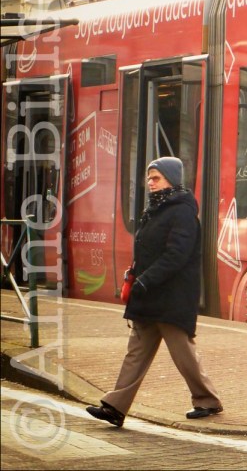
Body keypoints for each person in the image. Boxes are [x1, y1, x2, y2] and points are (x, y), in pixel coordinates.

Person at [86, 157, 223, 427]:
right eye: (149, 178)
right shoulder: (156, 209)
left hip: (171, 296)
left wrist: (146, 279)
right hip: (149, 295)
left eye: (156, 178)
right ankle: (115, 406)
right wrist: (138, 276)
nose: (150, 182)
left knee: (182, 352)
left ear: (172, 178)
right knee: (136, 352)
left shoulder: (182, 211)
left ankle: (207, 400)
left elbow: (177, 255)